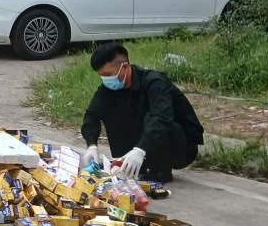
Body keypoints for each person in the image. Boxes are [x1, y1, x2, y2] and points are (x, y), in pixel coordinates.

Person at [81, 43, 204, 183]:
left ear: (125, 67)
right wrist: (91, 145)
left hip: (181, 144)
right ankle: (129, 162)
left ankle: (158, 172)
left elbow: (161, 118)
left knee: (153, 119)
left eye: (108, 75)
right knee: (110, 110)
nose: (106, 80)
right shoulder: (108, 89)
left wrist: (140, 150)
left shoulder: (155, 83)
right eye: (102, 76)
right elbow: (92, 114)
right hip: (146, 141)